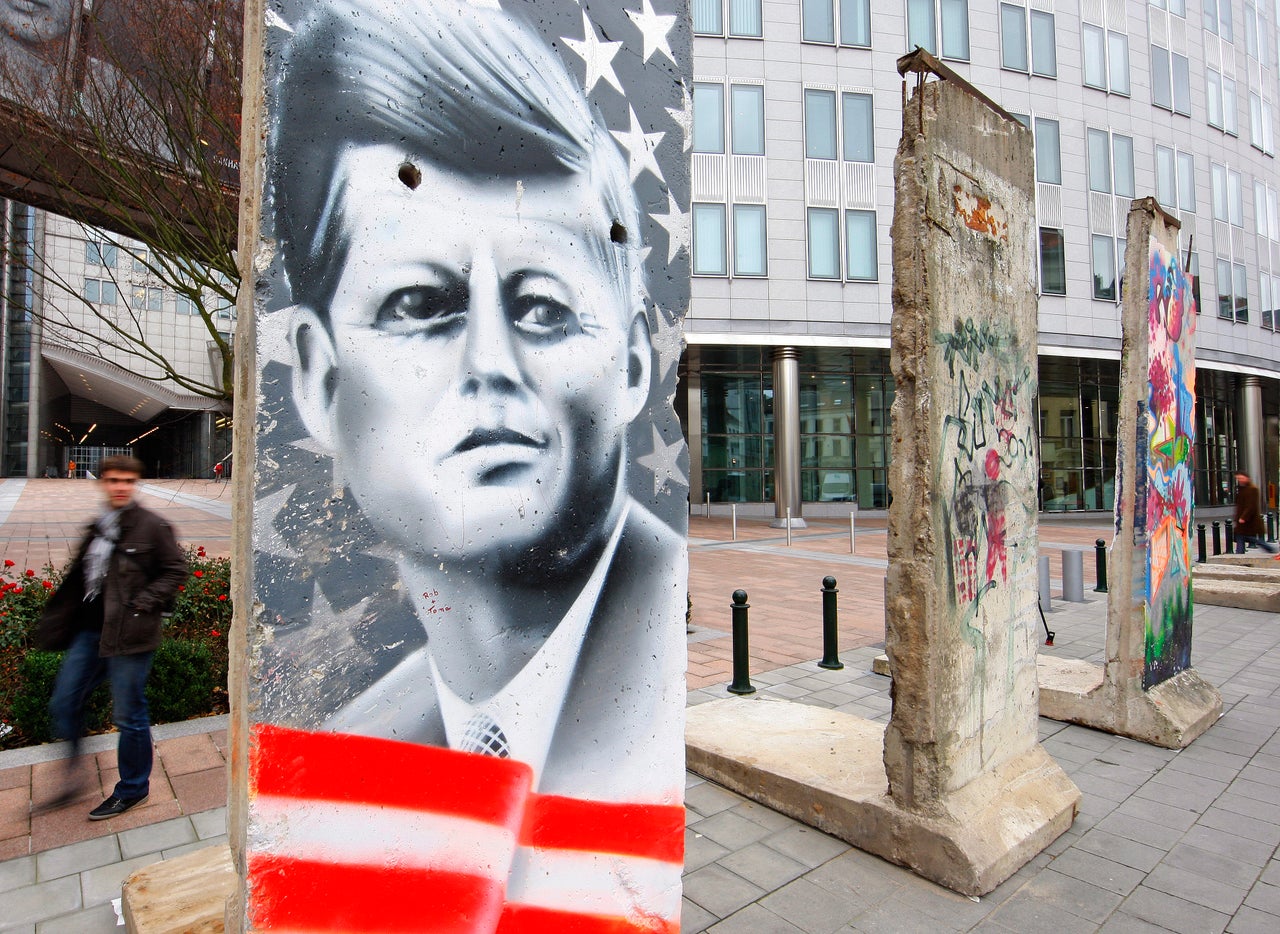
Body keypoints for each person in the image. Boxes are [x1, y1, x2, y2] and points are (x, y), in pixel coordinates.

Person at [252, 1, 686, 929]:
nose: (491, 362)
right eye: (419, 303)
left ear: (635, 363)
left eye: (542, 307)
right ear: (321, 381)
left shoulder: (650, 730)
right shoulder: (341, 759)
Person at [35, 455, 187, 819]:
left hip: (131, 634)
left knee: (129, 715)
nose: (120, 487)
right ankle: (73, 776)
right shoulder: (98, 526)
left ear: (136, 485)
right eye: (114, 480)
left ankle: (133, 788)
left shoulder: (152, 526)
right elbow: (81, 580)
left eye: (128, 481)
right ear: (102, 482)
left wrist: (142, 604)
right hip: (91, 632)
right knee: (65, 702)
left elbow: (176, 568)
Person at [1233, 472, 1278, 554]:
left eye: (1241, 478)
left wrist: (1243, 517)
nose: (1240, 480)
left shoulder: (1252, 489)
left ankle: (1269, 549)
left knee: (1248, 537)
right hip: (1243, 520)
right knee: (1242, 537)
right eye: (1238, 479)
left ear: (1247, 478)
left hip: (1249, 520)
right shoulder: (1241, 489)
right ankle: (1239, 554)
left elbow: (1251, 506)